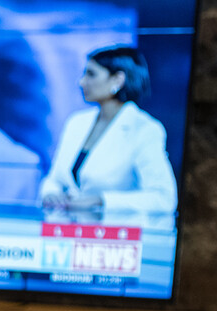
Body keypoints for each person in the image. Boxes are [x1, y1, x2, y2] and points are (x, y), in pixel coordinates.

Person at [38, 46, 177, 218]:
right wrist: (51, 193)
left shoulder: (144, 129)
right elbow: (54, 180)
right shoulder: (77, 122)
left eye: (91, 74)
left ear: (117, 80)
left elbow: (163, 199)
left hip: (115, 237)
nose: (82, 82)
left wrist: (101, 201)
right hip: (67, 233)